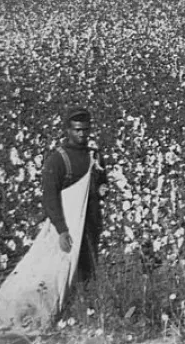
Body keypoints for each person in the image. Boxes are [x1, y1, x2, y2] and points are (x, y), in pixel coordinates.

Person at [40, 108, 107, 283]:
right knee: (61, 273)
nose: (82, 134)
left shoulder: (94, 156)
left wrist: (102, 189)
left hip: (90, 223)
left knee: (87, 270)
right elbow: (50, 197)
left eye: (85, 129)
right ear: (68, 131)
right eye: (77, 130)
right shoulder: (57, 160)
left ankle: (87, 305)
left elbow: (102, 181)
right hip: (67, 227)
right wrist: (61, 230)